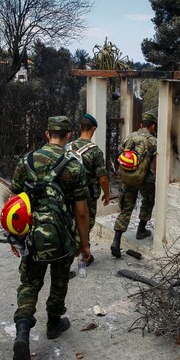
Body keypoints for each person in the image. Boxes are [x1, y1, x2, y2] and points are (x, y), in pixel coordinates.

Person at [8, 115, 91, 360]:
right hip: (61, 236)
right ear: (68, 136)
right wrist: (84, 244)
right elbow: (81, 211)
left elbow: (14, 202)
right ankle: (54, 323)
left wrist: (14, 235)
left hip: (32, 235)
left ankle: (22, 331)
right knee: (59, 280)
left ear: (47, 134)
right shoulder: (74, 166)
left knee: (30, 283)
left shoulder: (27, 161)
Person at [111, 112, 158, 258]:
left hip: (128, 177)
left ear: (140, 125)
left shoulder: (129, 137)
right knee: (148, 201)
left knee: (126, 206)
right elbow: (156, 163)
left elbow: (118, 155)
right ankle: (141, 230)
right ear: (153, 126)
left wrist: (119, 173)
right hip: (145, 179)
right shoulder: (153, 141)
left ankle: (116, 240)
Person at [69, 113, 111, 266]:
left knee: (71, 223)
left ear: (80, 127)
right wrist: (107, 194)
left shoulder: (68, 147)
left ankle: (86, 254)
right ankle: (67, 256)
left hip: (68, 194)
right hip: (88, 196)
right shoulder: (95, 152)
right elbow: (103, 178)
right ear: (94, 129)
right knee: (86, 224)